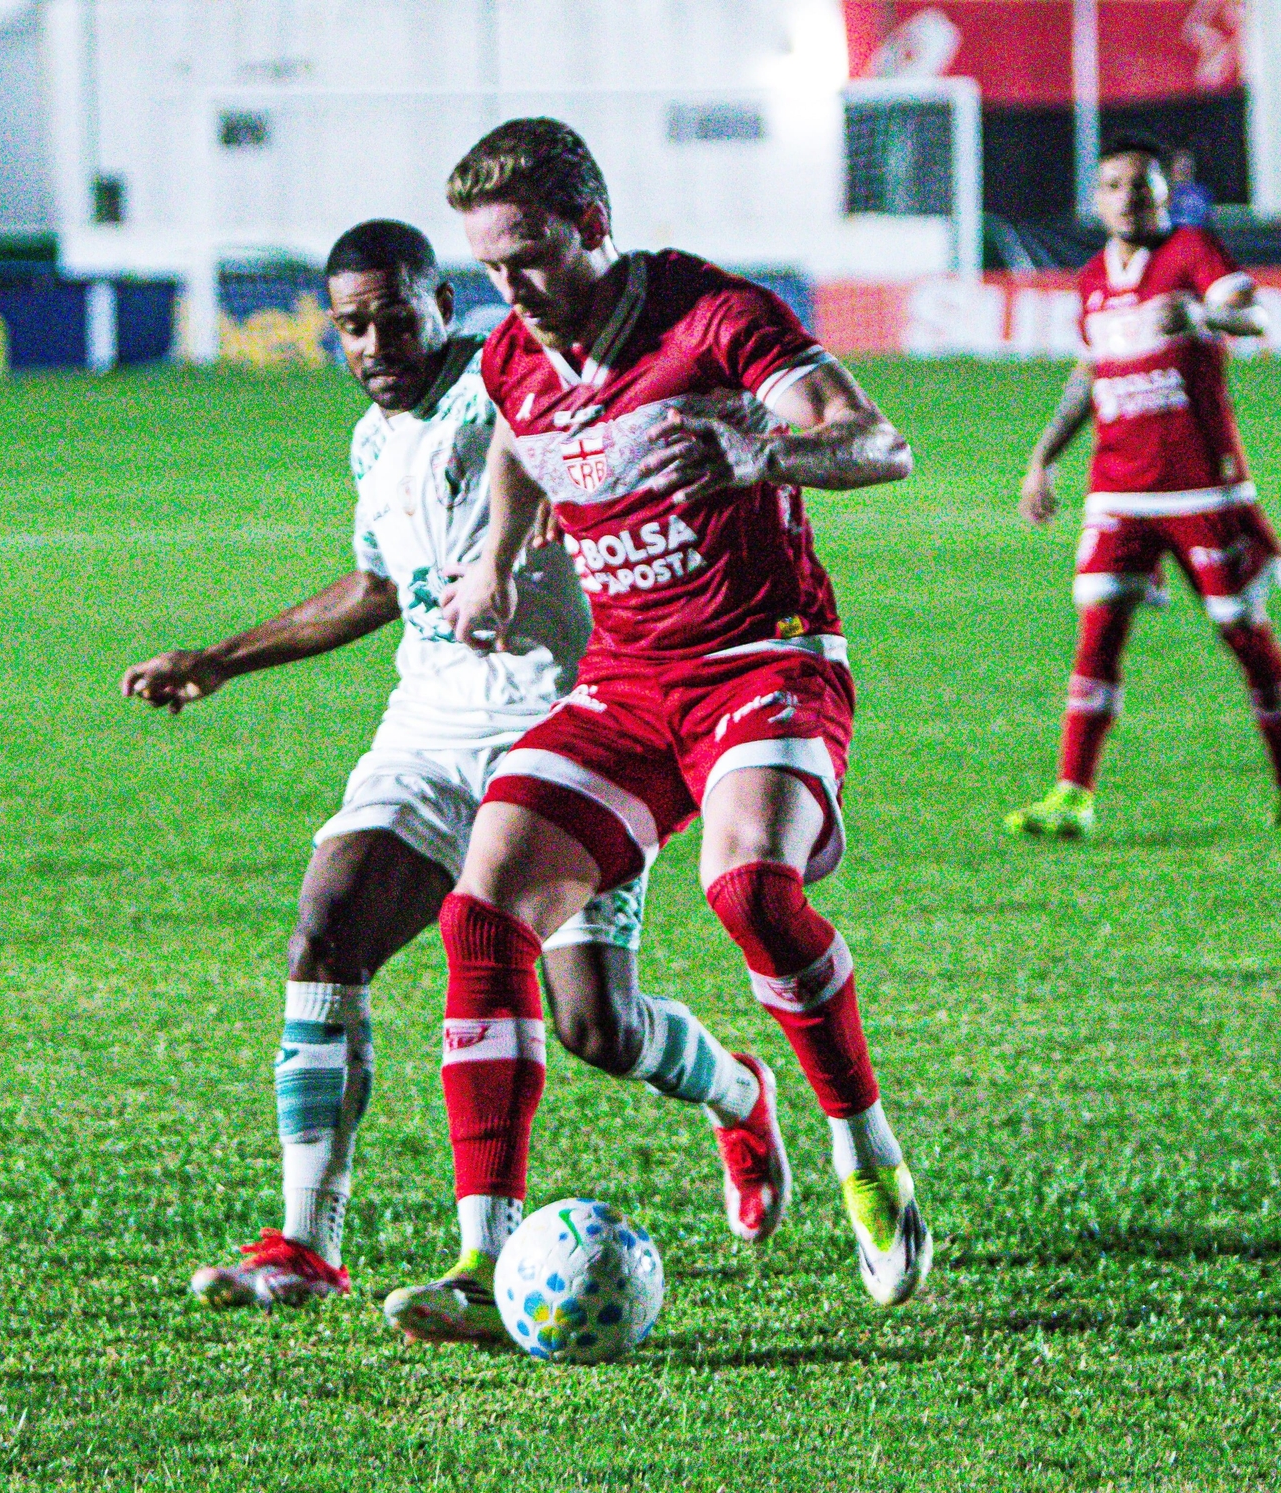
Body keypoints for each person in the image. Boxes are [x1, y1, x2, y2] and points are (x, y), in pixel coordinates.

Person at [121, 218, 789, 1313]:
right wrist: (220, 659)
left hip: (575, 726)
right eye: (351, 324)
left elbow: (599, 443)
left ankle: (737, 1089)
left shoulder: (508, 383)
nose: (377, 340)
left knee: (595, 1025)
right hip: (429, 730)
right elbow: (377, 586)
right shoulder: (374, 440)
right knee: (326, 930)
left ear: (441, 302)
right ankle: (306, 1243)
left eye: (396, 313)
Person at [379, 118, 933, 1342]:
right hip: (628, 682)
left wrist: (761, 450)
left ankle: (864, 1150)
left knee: (749, 888)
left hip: (764, 656)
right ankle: (480, 1260)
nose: (508, 288)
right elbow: (528, 440)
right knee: (483, 911)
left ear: (594, 222)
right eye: (489, 267)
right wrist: (491, 562)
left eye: (528, 255)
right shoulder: (519, 355)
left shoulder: (713, 315)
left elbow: (881, 443)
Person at [1006, 135, 1281, 840]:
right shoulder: (1090, 277)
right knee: (1096, 638)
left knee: (1242, 632)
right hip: (1118, 490)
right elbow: (1088, 375)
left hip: (1203, 490)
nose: (1127, 197)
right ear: (1097, 198)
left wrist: (1205, 315)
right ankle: (1072, 794)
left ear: (1163, 193)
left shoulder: (1193, 253)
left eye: (1140, 185)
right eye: (1112, 186)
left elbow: (1258, 316)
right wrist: (1043, 457)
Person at [1166, 148, 1214, 229]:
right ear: (1172, 168)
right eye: (1180, 165)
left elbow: (1207, 217)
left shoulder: (1202, 192)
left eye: (1187, 165)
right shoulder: (1164, 189)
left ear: (1194, 168)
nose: (1183, 169)